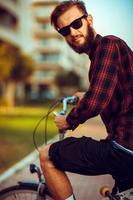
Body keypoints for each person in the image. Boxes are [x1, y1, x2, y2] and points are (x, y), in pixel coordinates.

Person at [39, 1, 133, 200]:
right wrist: (86, 95)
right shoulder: (99, 58)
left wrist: (69, 120)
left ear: (89, 20)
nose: (72, 32)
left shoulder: (108, 44)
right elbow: (106, 93)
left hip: (124, 146)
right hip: (126, 148)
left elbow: (96, 101)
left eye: (76, 24)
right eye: (64, 30)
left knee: (47, 155)